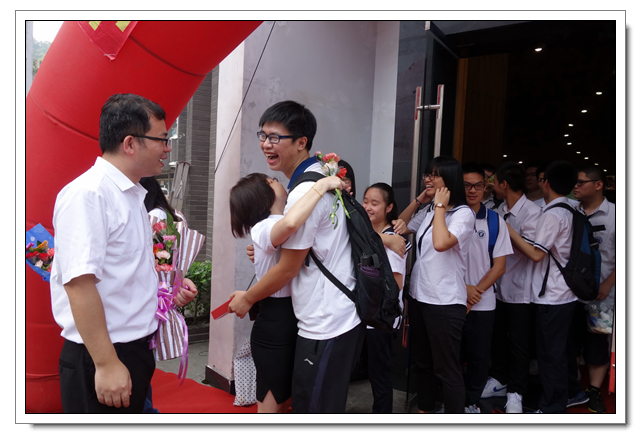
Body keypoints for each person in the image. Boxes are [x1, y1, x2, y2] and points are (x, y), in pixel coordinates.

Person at [50, 93, 193, 413]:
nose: (167, 148)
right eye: (162, 139)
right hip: (103, 353)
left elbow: (126, 273)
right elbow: (79, 284)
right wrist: (106, 363)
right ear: (130, 143)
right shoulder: (89, 194)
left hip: (133, 348)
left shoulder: (130, 194)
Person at [228, 100, 364, 413]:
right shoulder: (318, 176)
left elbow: (289, 267)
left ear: (301, 142)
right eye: (263, 135)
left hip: (325, 318)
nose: (266, 144)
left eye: (275, 137)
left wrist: (248, 297)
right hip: (332, 312)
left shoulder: (305, 191)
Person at [228, 172, 345, 413]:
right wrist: (321, 185)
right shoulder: (264, 227)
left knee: (285, 401)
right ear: (263, 195)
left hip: (293, 316)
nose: (278, 181)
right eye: (272, 181)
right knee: (272, 402)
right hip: (275, 323)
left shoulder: (277, 223)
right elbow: (290, 224)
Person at [396, 156, 476, 414]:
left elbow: (442, 243)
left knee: (446, 368)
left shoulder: (463, 214)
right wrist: (420, 201)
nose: (428, 179)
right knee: (423, 363)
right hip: (420, 298)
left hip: (444, 302)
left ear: (449, 179)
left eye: (434, 175)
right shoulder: (430, 210)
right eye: (427, 175)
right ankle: (425, 412)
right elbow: (400, 227)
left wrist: (440, 206)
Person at [506, 160, 579, 413]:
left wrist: (510, 231)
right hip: (565, 292)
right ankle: (563, 397)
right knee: (557, 352)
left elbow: (537, 254)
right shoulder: (571, 209)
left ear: (545, 182)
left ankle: (552, 407)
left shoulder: (553, 214)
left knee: (550, 355)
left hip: (553, 295)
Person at [481, 161, 541, 413]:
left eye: (494, 182)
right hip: (497, 287)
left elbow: (533, 251)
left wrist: (505, 229)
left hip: (521, 289)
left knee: (519, 344)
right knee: (497, 339)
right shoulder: (499, 208)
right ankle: (499, 379)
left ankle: (516, 391)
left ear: (504, 184)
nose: (491, 186)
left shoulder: (533, 212)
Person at [139, 176, 198, 413]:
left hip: (147, 301)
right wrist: (177, 281)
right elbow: (173, 265)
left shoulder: (152, 217)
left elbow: (157, 264)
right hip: (160, 298)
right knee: (143, 369)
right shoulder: (175, 216)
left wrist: (172, 283)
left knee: (138, 373)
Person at [460, 163, 513, 414]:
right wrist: (463, 290)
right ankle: (452, 402)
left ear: (485, 187)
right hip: (451, 298)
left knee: (479, 357)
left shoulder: (494, 220)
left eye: (478, 185)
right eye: (466, 185)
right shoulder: (446, 216)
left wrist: (472, 295)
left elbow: (499, 266)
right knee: (452, 356)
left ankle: (471, 403)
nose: (472, 190)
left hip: (482, 303)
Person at [566, 165, 615, 413]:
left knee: (597, 342)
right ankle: (573, 387)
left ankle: (594, 390)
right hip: (570, 291)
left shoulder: (617, 215)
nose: (575, 187)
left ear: (598, 185)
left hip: (602, 293)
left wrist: (608, 283)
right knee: (570, 341)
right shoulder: (570, 211)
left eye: (581, 182)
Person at [361, 182, 412, 413]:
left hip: (379, 319)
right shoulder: (367, 232)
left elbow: (395, 283)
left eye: (375, 203)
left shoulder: (395, 239)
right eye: (365, 201)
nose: (368, 207)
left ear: (389, 207)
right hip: (362, 315)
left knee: (379, 376)